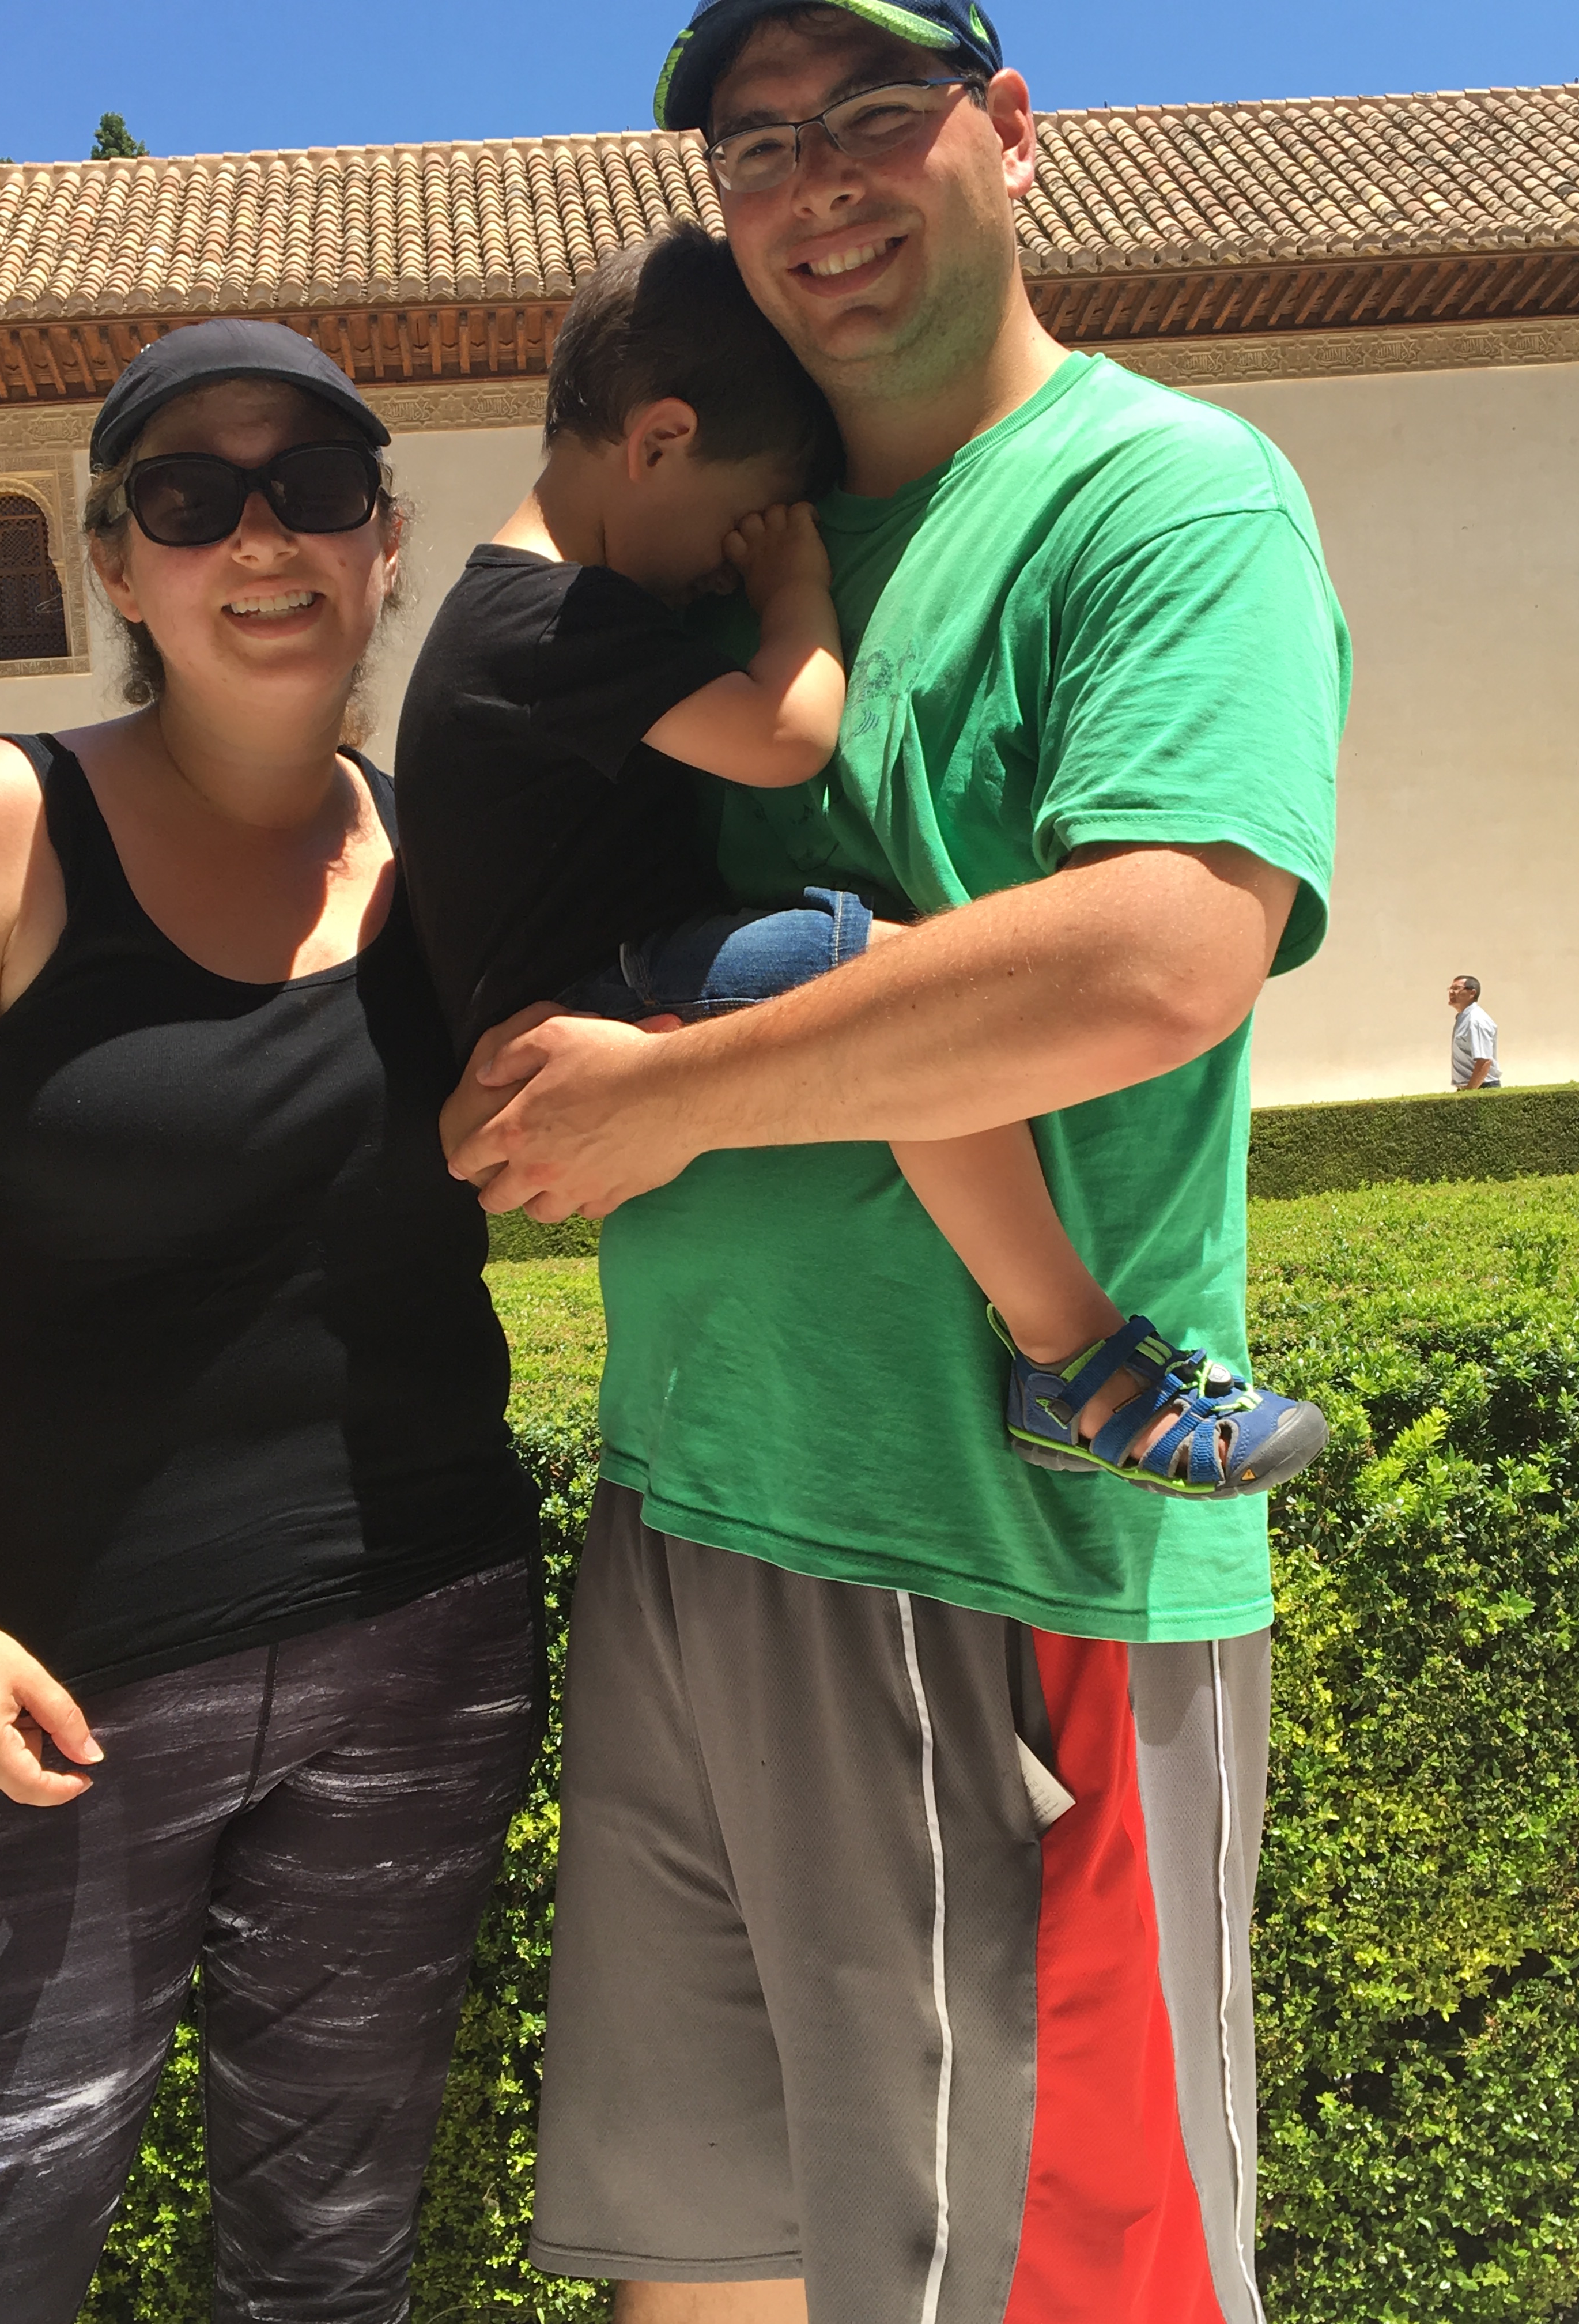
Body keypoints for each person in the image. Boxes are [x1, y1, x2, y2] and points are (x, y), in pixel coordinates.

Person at [447, 3, 1348, 2319]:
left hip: (1006, 1561)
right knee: (710, 2266)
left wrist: (664, 1095)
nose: (815, 177)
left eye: (871, 112)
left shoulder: (1161, 496)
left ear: (1010, 132)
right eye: (756, 143)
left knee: (1052, 2282)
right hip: (689, 1508)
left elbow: (1161, 951)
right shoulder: (726, 552)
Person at [0, 319, 540, 2324]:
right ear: (114, 565)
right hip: (44, 1688)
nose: (260, 536)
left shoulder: (444, 856)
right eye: (188, 497)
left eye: (312, 489)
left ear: (384, 541)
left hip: (418, 1649)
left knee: (332, 2261)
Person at [399, 224, 1325, 1500]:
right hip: (599, 991)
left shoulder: (516, 609)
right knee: (899, 997)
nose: (724, 563)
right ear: (659, 441)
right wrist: (794, 583)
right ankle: (1071, 1353)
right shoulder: (552, 616)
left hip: (595, 982)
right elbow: (786, 736)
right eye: (736, 519)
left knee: (898, 1002)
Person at [1449, 972, 1502, 1088]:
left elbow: (1484, 1061)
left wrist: (1470, 1093)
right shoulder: (1464, 1018)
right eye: (1451, 989)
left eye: (1457, 989)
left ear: (1472, 993)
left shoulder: (1476, 1021)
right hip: (1473, 1086)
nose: (1451, 992)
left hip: (1482, 1086)